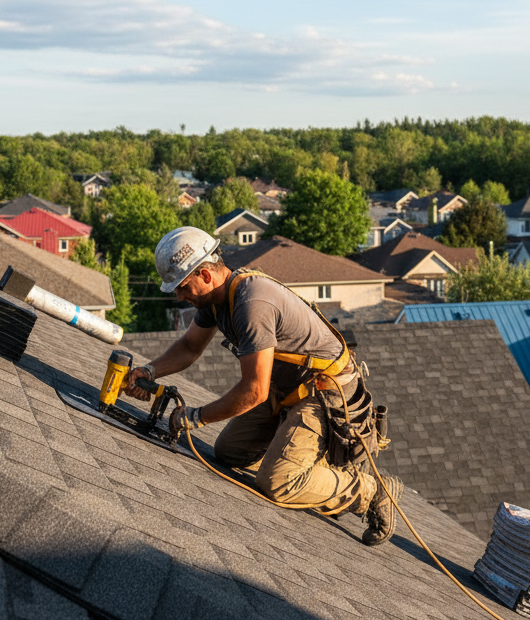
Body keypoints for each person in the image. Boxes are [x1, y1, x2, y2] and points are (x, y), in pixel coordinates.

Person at [123, 227, 402, 546]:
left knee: (278, 482)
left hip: (325, 395)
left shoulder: (250, 302)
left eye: (183, 287)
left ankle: (371, 491)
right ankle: (306, 463)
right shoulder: (214, 300)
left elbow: (254, 390)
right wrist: (150, 370)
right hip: (285, 391)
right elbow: (189, 347)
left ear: (204, 274)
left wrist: (195, 416)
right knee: (229, 452)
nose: (179, 297)